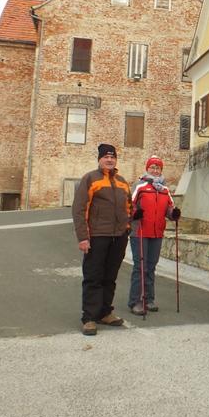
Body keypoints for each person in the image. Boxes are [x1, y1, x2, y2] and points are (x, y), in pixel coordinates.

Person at [72, 143, 132, 336]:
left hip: (118, 237)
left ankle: (105, 312)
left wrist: (127, 228)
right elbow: (80, 209)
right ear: (99, 159)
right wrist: (83, 237)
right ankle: (89, 317)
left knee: (110, 277)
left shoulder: (122, 182)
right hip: (97, 236)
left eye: (112, 157)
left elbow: (128, 207)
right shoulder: (90, 178)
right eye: (106, 157)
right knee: (93, 277)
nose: (109, 160)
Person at [128, 155, 181, 316]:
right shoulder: (139, 186)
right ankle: (135, 301)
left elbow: (169, 209)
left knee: (151, 266)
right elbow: (129, 206)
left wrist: (174, 214)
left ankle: (148, 299)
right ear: (147, 168)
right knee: (140, 267)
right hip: (140, 232)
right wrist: (135, 213)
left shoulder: (164, 189)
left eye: (158, 168)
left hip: (157, 233)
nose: (155, 170)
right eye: (152, 167)